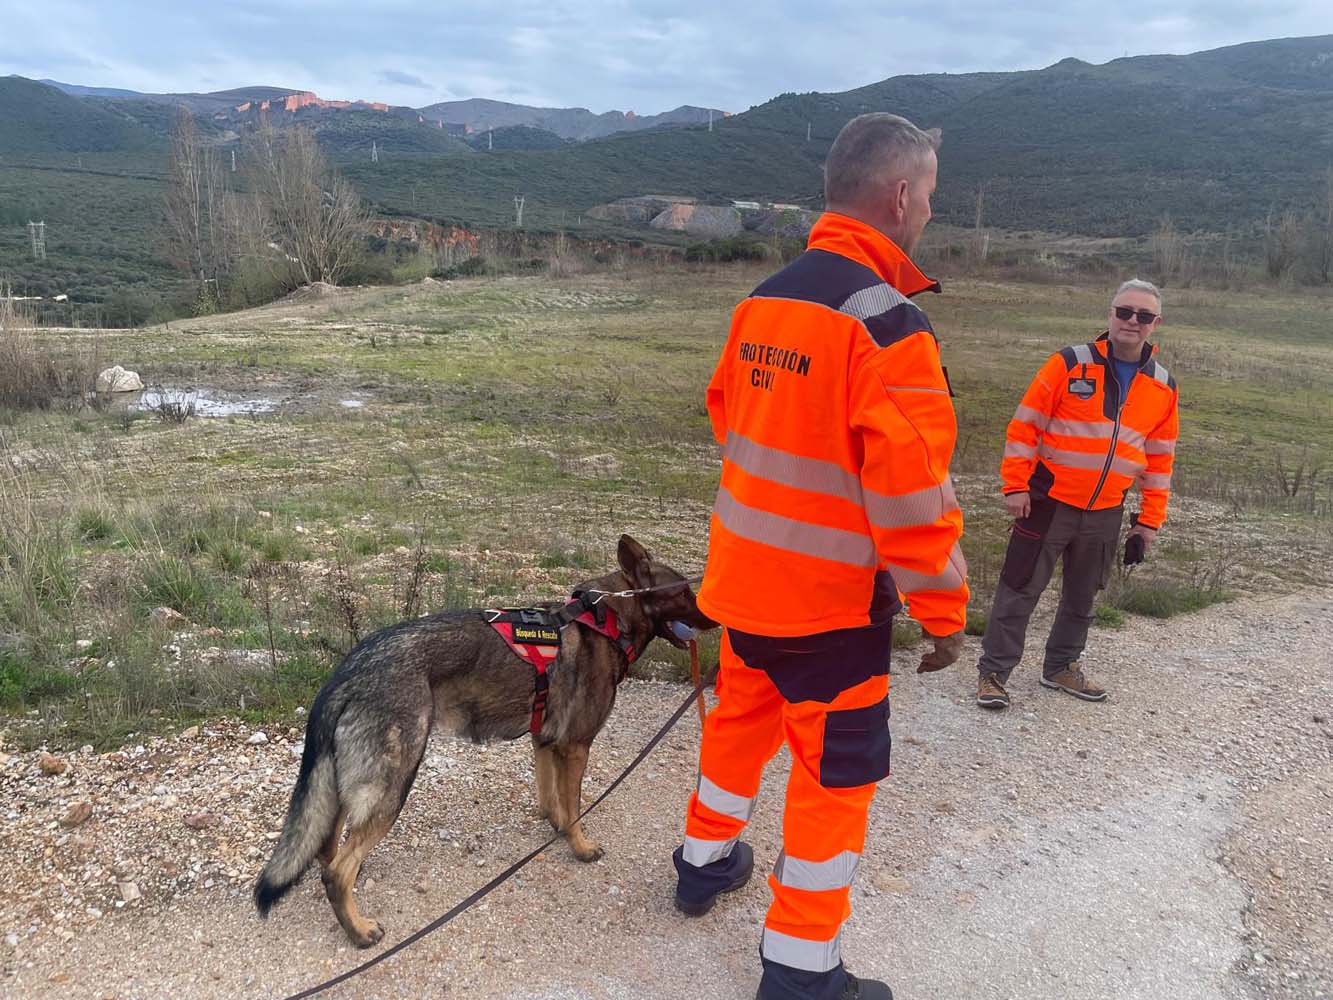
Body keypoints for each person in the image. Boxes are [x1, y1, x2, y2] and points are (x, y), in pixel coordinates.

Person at [672, 113, 969, 1000]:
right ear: (903, 195)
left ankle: (701, 864)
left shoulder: (763, 299)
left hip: (743, 583)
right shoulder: (888, 324)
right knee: (832, 779)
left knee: (735, 728)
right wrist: (944, 611)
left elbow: (730, 417)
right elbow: (913, 497)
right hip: (830, 608)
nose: (926, 214)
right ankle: (800, 971)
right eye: (929, 198)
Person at [975, 279, 1179, 710]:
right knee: (1020, 588)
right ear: (1110, 314)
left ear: (1155, 324)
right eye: (1124, 311)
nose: (1131, 322)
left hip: (1106, 510)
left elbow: (1159, 461)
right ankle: (993, 673)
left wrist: (1148, 521)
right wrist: (1015, 484)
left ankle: (1061, 667)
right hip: (1048, 502)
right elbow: (1025, 425)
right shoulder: (1069, 363)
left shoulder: (1163, 386)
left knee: (1083, 596)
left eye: (1143, 316)